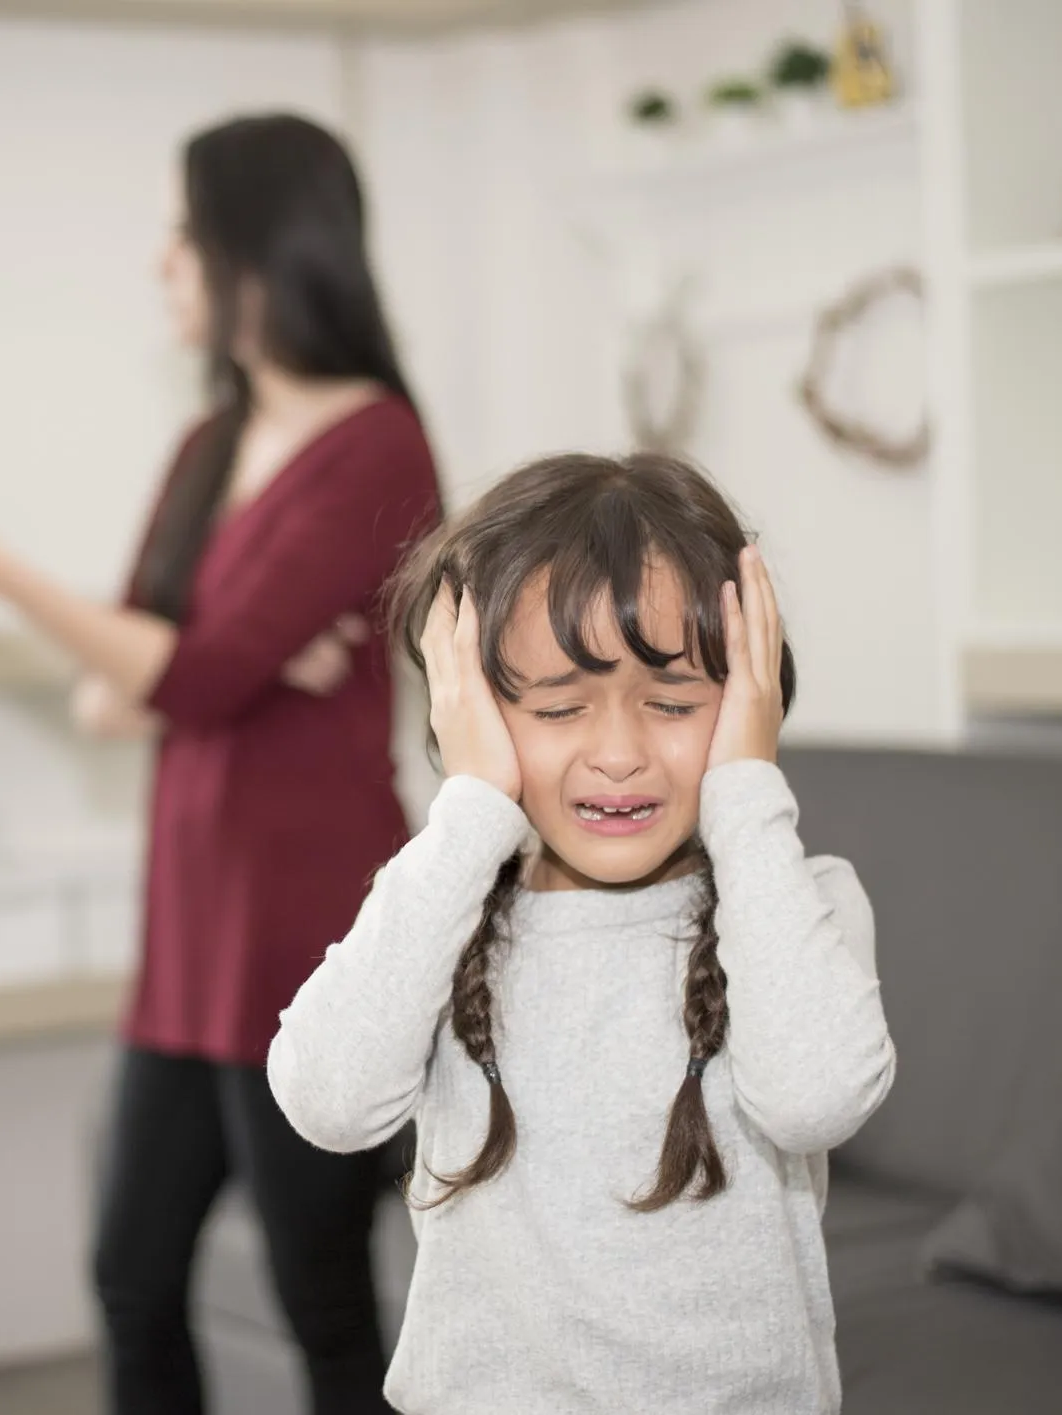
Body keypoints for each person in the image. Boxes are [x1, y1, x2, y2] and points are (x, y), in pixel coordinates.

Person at [0, 114, 441, 1415]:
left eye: (181, 234)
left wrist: (2, 572)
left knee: (321, 1301)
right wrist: (204, 663)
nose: (160, 263)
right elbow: (112, 692)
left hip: (306, 936)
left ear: (256, 248)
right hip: (188, 941)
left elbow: (173, 673)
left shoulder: (379, 444)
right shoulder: (204, 447)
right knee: (129, 1271)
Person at [267, 453, 898, 1414]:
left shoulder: (799, 903)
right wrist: (471, 804)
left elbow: (814, 1100)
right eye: (558, 707)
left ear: (747, 705)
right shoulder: (444, 912)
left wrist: (743, 793)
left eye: (675, 704)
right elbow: (329, 1100)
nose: (617, 753)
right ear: (472, 710)